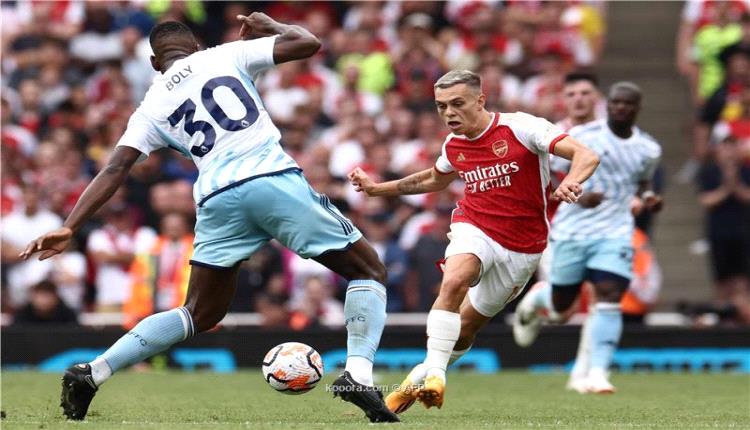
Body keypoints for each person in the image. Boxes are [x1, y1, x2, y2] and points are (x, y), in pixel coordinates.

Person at [21, 15, 398, 423]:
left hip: (217, 199)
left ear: (154, 63)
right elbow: (308, 42)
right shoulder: (225, 55)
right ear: (196, 47)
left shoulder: (150, 106)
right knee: (367, 269)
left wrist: (71, 225)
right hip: (270, 179)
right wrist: (269, 24)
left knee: (199, 313)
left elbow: (115, 168)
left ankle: (93, 372)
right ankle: (358, 375)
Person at [348, 69, 599, 413]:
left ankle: (419, 376)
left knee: (464, 330)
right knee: (455, 279)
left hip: (523, 247)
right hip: (475, 225)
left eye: (457, 103)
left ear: (480, 100)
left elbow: (586, 155)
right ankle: (436, 375)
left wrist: (572, 180)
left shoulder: (522, 128)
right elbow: (435, 179)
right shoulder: (453, 145)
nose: (449, 113)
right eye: (441, 106)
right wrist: (378, 189)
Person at [512, 82, 663, 394]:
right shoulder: (582, 136)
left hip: (615, 232)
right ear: (608, 105)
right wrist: (578, 195)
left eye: (627, 103)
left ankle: (596, 372)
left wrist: (648, 197)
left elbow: (644, 179)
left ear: (637, 108)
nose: (620, 108)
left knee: (608, 296)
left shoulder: (649, 148)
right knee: (561, 310)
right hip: (572, 231)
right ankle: (541, 297)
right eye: (616, 102)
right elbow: (552, 174)